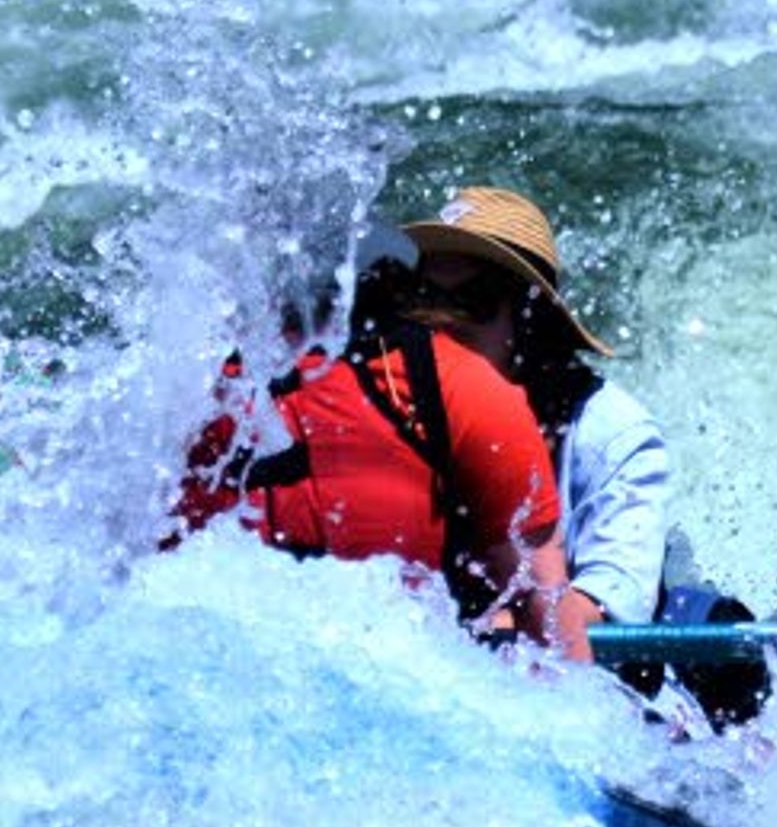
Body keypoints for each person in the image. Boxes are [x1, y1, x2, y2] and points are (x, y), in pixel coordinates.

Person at [176, 223, 576, 654]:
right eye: (433, 299)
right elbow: (553, 627)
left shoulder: (172, 390)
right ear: (400, 292)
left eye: (470, 303)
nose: (449, 318)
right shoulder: (473, 393)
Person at [401, 184, 694, 686]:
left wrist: (490, 620)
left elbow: (597, 616)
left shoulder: (613, 434)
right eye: (425, 300)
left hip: (597, 688)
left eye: (471, 302)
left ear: (529, 321)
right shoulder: (398, 407)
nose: (441, 325)